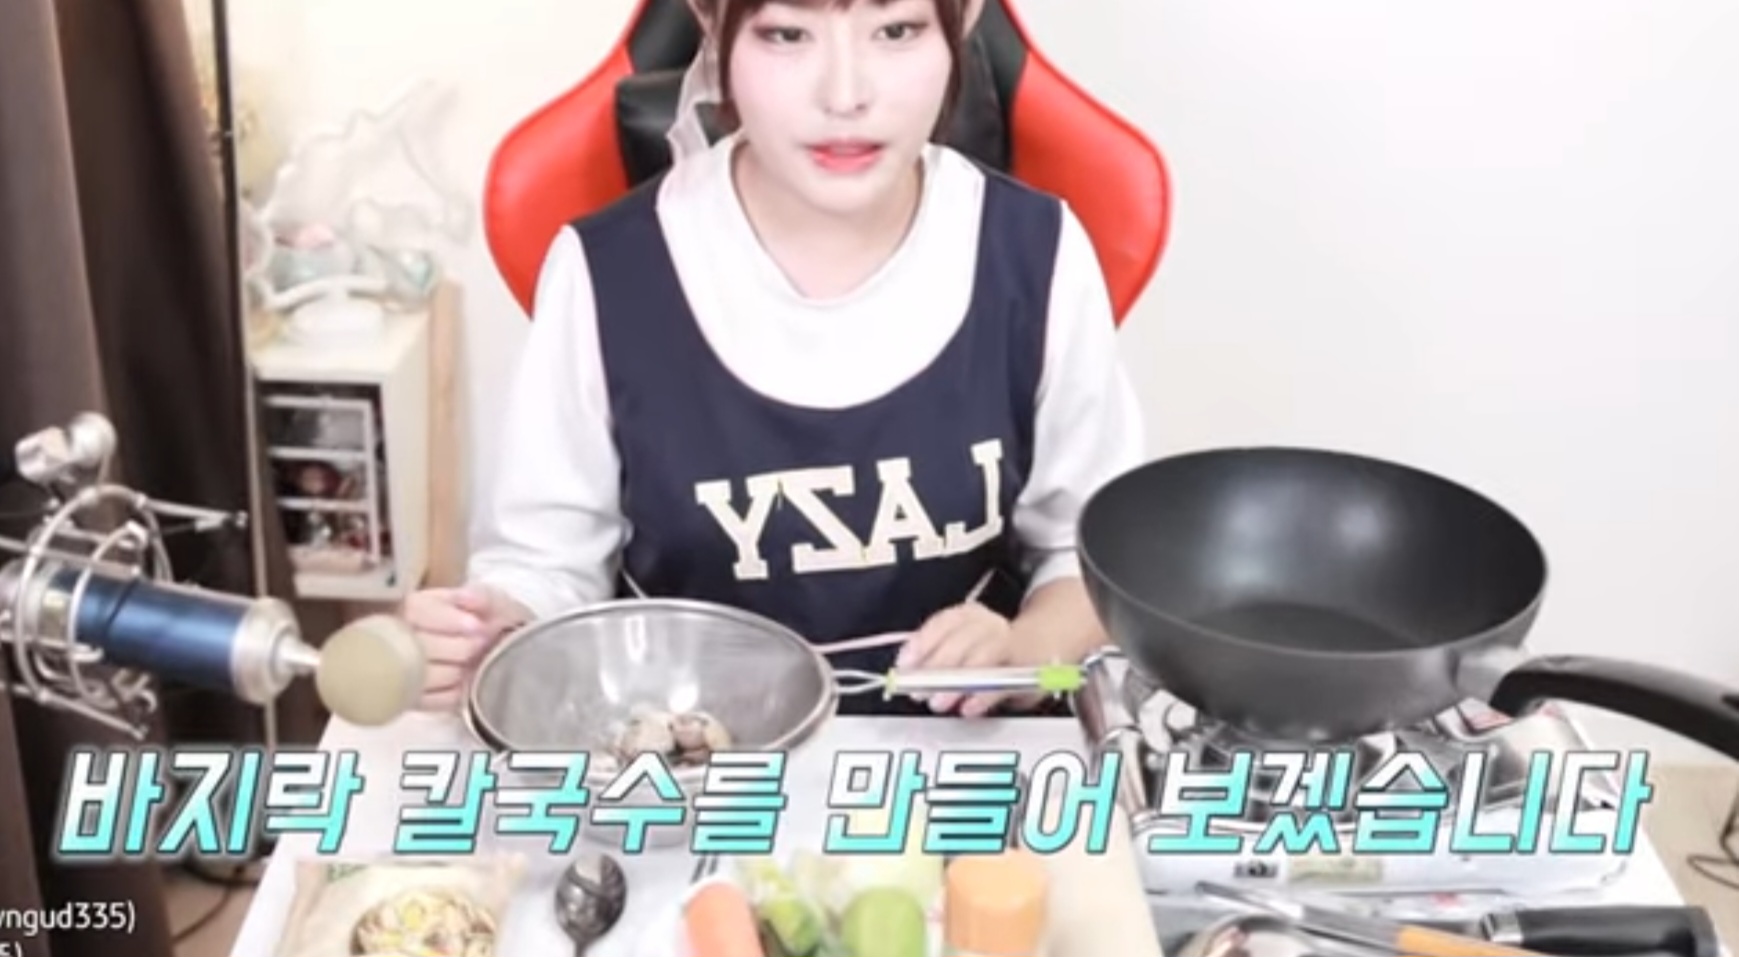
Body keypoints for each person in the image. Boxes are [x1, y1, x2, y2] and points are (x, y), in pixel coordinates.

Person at [404, 0, 1144, 718]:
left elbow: (1091, 558)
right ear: (709, 20)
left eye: (897, 29)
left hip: (958, 762)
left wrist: (1025, 649)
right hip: (688, 758)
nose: (845, 95)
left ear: (966, 16)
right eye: (787, 33)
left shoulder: (1036, 252)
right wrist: (495, 631)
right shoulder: (604, 271)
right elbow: (547, 567)